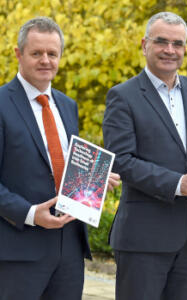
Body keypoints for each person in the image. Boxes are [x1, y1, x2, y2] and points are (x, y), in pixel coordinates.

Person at [0, 17, 120, 300]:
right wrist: (30, 214)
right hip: (18, 251)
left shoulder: (67, 106)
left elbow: (63, 167)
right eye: (36, 53)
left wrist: (97, 181)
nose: (45, 60)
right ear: (18, 54)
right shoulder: (1, 104)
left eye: (52, 54)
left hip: (69, 250)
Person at [102, 12, 187, 300]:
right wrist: (177, 183)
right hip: (143, 237)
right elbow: (121, 160)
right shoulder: (123, 96)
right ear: (145, 44)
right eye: (162, 42)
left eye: (178, 44)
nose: (170, 50)